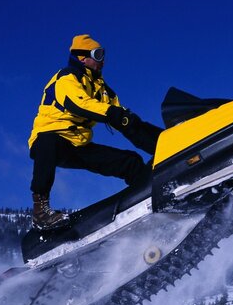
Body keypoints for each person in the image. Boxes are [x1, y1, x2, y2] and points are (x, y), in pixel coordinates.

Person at [28, 34, 161, 230]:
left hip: (78, 145)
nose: (102, 61)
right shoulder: (67, 77)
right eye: (98, 55)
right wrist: (112, 113)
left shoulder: (102, 90)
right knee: (48, 142)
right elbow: (78, 103)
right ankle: (41, 212)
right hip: (53, 139)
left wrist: (161, 144)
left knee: (130, 161)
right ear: (82, 57)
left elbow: (124, 121)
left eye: (103, 55)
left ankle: (151, 197)